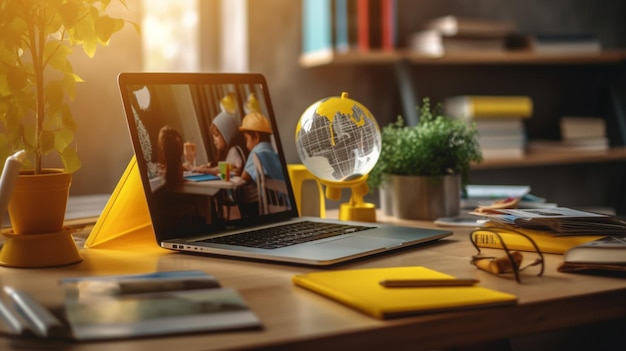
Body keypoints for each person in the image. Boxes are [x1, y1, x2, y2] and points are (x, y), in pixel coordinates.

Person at [238, 112, 284, 217]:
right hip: (283, 200)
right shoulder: (272, 152)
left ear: (256, 137)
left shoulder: (257, 153)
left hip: (266, 206)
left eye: (246, 139)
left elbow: (244, 176)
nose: (246, 145)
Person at [192, 111, 247, 176]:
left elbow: (224, 169)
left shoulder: (234, 150)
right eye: (213, 136)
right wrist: (207, 166)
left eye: (216, 135)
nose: (214, 140)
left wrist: (206, 170)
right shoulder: (225, 153)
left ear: (227, 133)